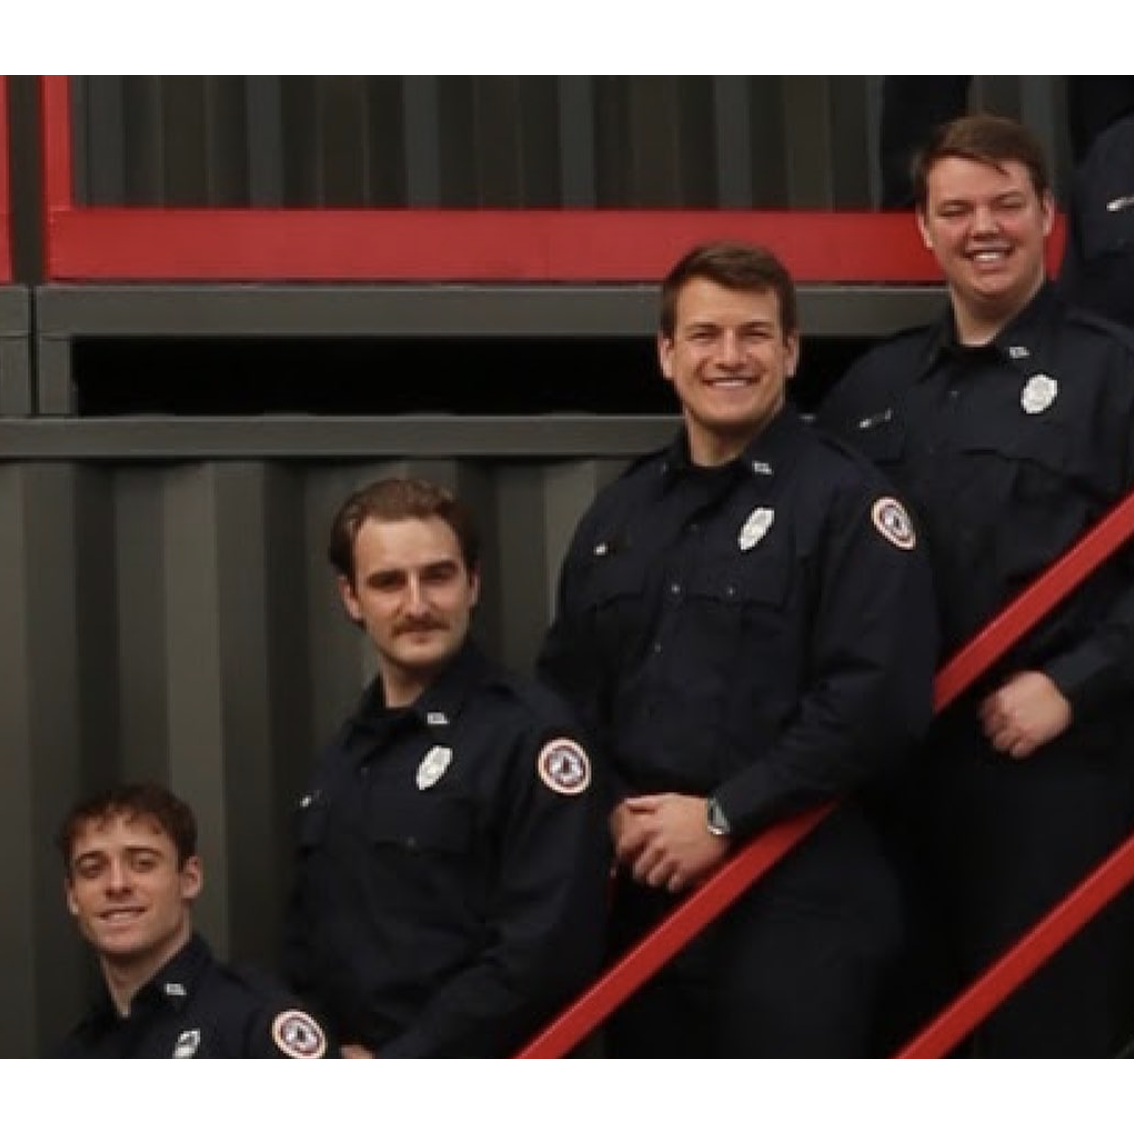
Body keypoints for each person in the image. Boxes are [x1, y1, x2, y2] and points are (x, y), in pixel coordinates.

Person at [536, 240, 938, 1056]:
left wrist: (725, 817)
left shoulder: (847, 502)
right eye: (705, 334)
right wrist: (612, 811)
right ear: (666, 352)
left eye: (754, 335)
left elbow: (875, 700)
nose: (729, 356)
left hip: (797, 894)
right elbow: (567, 693)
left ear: (791, 352)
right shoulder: (619, 515)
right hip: (647, 897)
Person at [817, 113, 1134, 1056]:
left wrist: (1072, 685)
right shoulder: (871, 392)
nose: (982, 227)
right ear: (923, 227)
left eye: (1006, 203)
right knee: (916, 1032)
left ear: (1050, 215)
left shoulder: (1116, 374)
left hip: (1057, 773)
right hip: (900, 781)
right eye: (956, 208)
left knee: (1045, 1043)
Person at [284, 476, 610, 1057]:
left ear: (473, 583)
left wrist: (404, 1067)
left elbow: (543, 957)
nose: (417, 605)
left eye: (437, 576)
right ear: (351, 598)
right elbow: (311, 949)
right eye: (388, 583)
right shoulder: (338, 763)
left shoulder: (532, 738)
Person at [54, 781, 331, 1058]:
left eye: (142, 863)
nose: (116, 884)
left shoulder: (256, 1023)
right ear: (72, 896)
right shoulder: (75, 1052)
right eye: (92, 869)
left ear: (189, 879)